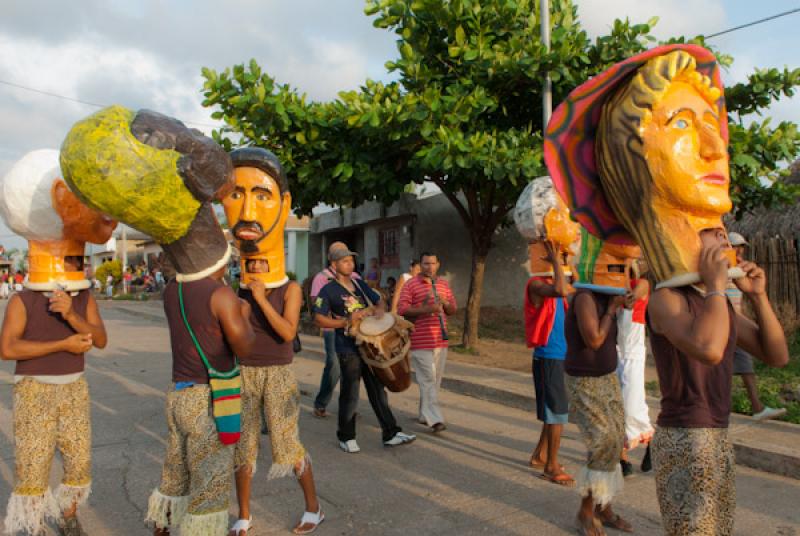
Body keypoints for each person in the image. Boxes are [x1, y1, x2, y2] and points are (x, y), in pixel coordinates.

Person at [0, 148, 117, 536]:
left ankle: (68, 517)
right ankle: (31, 526)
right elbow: (8, 349)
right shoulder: (23, 299)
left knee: (78, 463)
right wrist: (61, 346)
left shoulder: (83, 296)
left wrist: (70, 314)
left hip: (74, 389)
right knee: (32, 466)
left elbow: (98, 339)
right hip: (34, 390)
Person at [223, 147, 322, 535]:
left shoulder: (290, 288)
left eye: (261, 196)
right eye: (235, 195)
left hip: (278, 374)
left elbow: (287, 332)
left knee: (287, 446)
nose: (247, 211)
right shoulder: (235, 289)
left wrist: (261, 296)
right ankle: (244, 514)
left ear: (283, 205)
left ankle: (313, 507)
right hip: (243, 373)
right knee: (243, 448)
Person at [313, 246, 416, 452]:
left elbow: (379, 299)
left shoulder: (359, 284)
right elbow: (318, 318)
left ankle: (391, 433)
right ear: (334, 265)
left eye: (351, 261)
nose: (350, 264)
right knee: (350, 392)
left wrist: (379, 310)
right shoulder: (328, 290)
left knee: (377, 390)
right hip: (346, 347)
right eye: (344, 261)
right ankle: (346, 436)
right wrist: (345, 321)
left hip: (369, 347)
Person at [565, 286, 630, 534]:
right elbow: (593, 340)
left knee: (615, 442)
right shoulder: (585, 297)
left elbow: (643, 284)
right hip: (584, 381)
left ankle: (603, 505)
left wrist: (624, 301)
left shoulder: (607, 294)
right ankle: (586, 511)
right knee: (602, 442)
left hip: (607, 377)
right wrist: (612, 310)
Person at [524, 240, 574, 486]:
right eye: (557, 256)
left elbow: (574, 288)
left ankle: (540, 455)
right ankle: (551, 467)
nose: (562, 260)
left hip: (560, 356)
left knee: (553, 411)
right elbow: (562, 291)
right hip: (548, 357)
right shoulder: (535, 285)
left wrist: (570, 264)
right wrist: (556, 262)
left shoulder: (556, 283)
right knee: (557, 413)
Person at [726, 232, 786, 421]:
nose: (739, 251)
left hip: (734, 320)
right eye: (734, 246)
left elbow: (778, 358)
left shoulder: (739, 273)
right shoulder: (674, 299)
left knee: (743, 366)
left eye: (741, 247)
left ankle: (755, 406)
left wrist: (757, 296)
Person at [397, 252, 456, 433]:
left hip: (440, 340)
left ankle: (425, 414)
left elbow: (453, 309)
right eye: (425, 264)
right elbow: (402, 309)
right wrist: (427, 309)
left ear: (438, 264)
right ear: (420, 265)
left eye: (432, 263)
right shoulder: (411, 284)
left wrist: (445, 304)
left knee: (434, 381)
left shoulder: (443, 284)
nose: (429, 267)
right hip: (420, 340)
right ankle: (435, 419)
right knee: (428, 379)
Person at [309, 242, 361, 419]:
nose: (347, 260)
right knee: (334, 365)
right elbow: (317, 303)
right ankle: (321, 403)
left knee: (353, 368)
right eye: (341, 255)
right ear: (333, 261)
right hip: (333, 329)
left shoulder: (354, 277)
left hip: (356, 329)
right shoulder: (321, 278)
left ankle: (349, 406)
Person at [616, 272, 654, 477]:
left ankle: (651, 439)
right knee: (616, 406)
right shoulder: (608, 281)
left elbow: (632, 296)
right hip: (613, 347)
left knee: (631, 404)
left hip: (633, 348)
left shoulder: (642, 283)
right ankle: (621, 457)